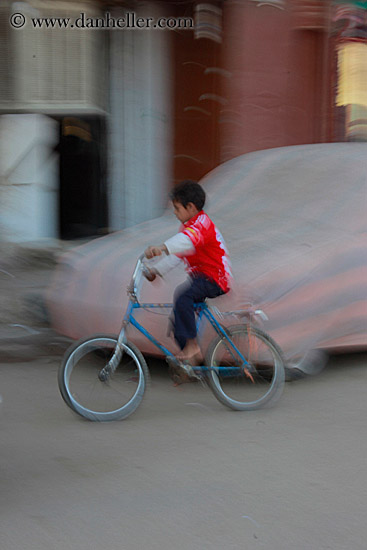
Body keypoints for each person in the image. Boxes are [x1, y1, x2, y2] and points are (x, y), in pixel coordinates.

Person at [144, 180, 232, 366]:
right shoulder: (188, 228)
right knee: (179, 318)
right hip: (201, 277)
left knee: (183, 297)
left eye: (176, 209)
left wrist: (161, 247)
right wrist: (156, 270)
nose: (175, 213)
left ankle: (192, 347)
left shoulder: (202, 224)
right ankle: (191, 361)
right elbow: (178, 255)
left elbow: (184, 242)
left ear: (190, 207)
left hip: (215, 277)